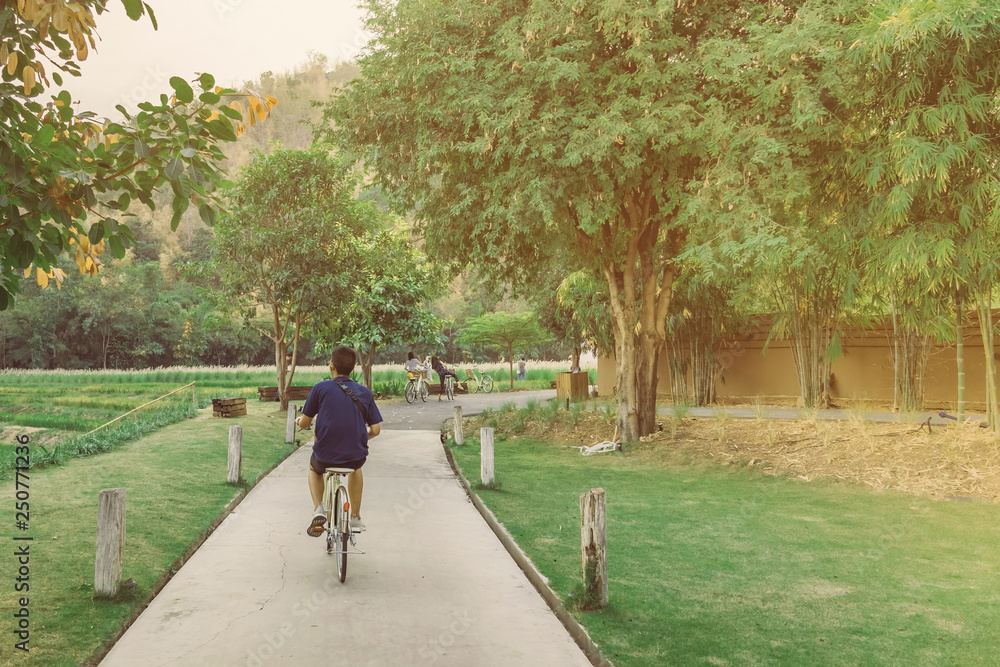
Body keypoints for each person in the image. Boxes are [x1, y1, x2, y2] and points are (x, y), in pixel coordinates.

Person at [297, 345, 383, 537]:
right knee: (356, 469)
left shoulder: (321, 388)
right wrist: (360, 435)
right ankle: (355, 517)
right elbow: (376, 430)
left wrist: (297, 421)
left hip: (325, 455)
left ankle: (318, 509)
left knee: (314, 468)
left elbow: (304, 423)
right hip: (355, 457)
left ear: (331, 365)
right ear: (352, 368)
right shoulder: (364, 392)